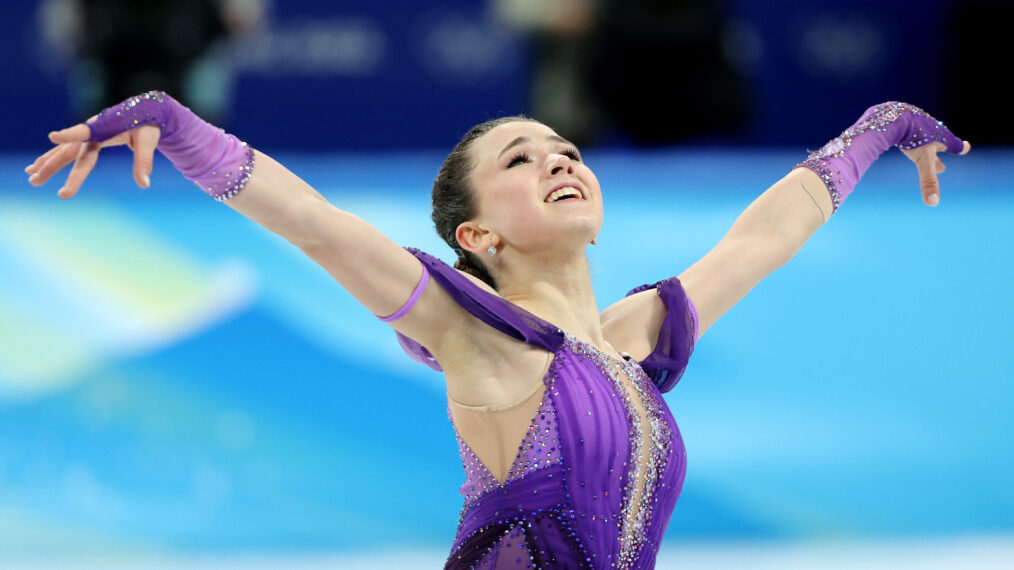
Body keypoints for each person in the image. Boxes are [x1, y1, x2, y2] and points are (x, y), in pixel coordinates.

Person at [25, 92, 969, 568]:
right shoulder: (475, 336)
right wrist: (172, 123)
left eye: (565, 149)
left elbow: (763, 238)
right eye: (522, 159)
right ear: (476, 235)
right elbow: (311, 221)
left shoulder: (633, 341)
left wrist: (879, 127)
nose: (559, 159)